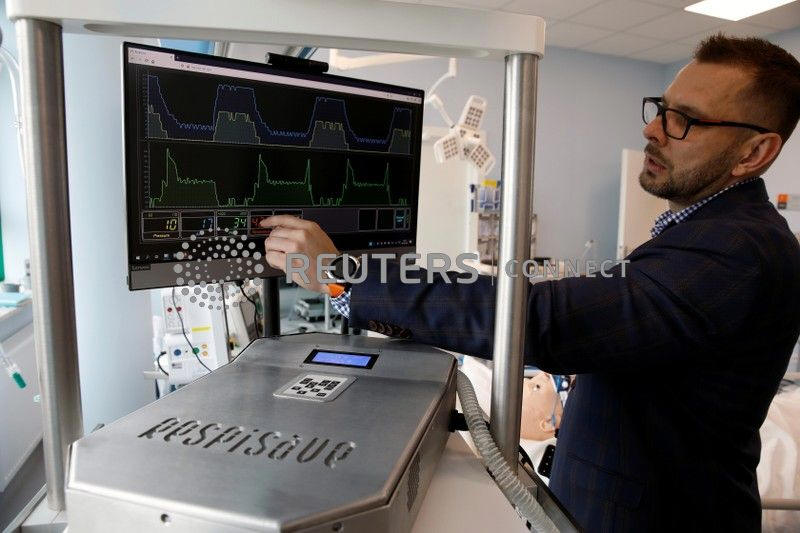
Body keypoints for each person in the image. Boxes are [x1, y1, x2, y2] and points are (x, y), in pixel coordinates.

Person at [260, 35, 800, 532]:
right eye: (662, 108)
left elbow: (545, 321)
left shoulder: (737, 250)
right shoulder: (707, 234)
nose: (653, 130)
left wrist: (344, 275)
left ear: (754, 152)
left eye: (686, 120)